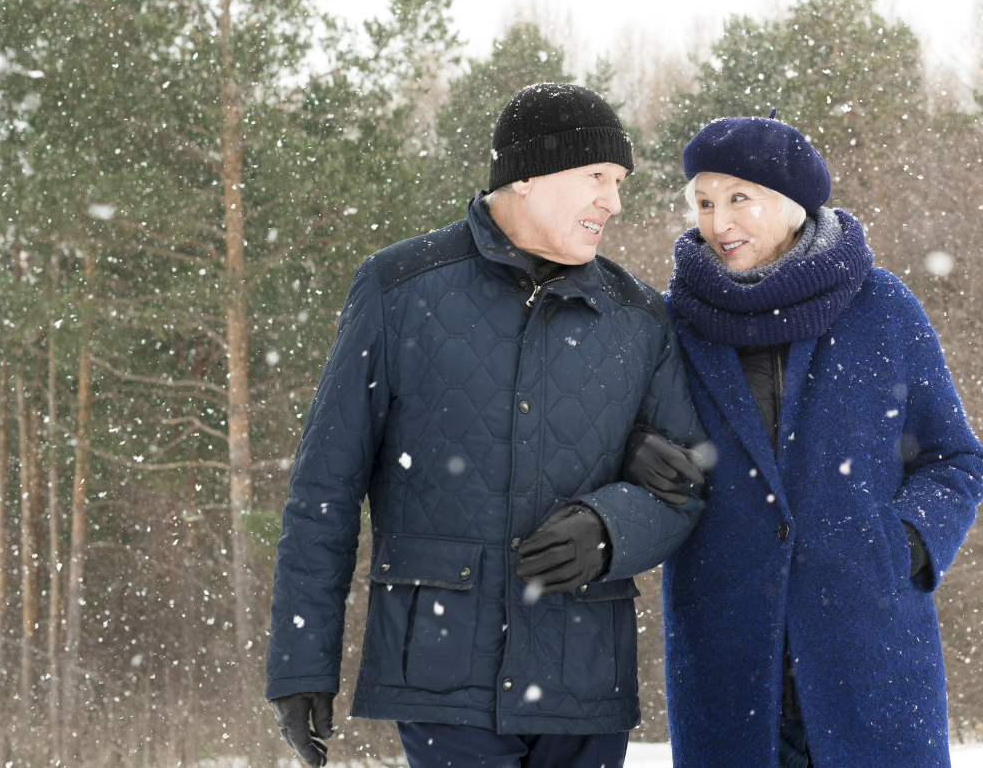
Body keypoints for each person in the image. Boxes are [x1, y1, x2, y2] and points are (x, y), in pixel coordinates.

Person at [266, 83, 706, 768]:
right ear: (526, 174)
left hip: (584, 674)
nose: (614, 202)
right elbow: (326, 487)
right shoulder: (399, 289)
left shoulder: (639, 320)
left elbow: (683, 487)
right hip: (441, 673)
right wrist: (301, 660)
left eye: (618, 182)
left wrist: (609, 528)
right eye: (597, 177)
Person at [622, 115, 983, 767]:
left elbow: (953, 459)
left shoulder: (882, 308)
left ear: (791, 204)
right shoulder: (672, 325)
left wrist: (903, 543)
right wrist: (632, 451)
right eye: (704, 202)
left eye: (739, 198)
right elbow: (624, 445)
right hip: (728, 667)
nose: (719, 222)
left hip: (871, 662)